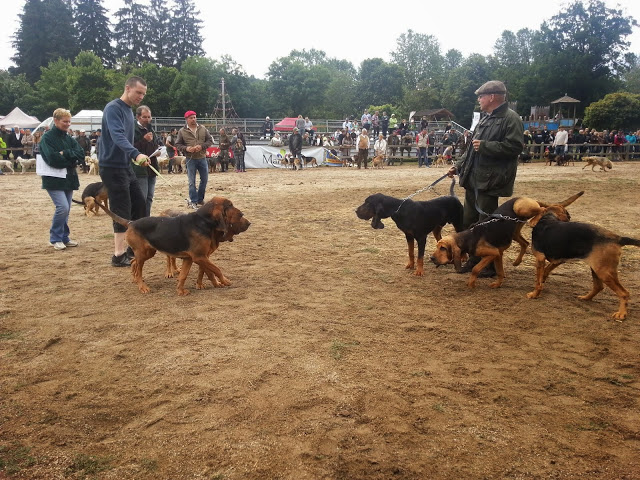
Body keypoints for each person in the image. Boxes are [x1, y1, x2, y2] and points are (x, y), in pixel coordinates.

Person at [447, 80, 524, 276]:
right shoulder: (485, 119)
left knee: (486, 224)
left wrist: (487, 146)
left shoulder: (510, 118)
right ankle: (473, 258)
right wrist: (458, 166)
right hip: (474, 179)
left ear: (492, 97)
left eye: (481, 97)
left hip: (491, 181)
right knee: (469, 221)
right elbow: (472, 148)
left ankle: (488, 265)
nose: (479, 100)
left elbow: (515, 147)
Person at [99, 76, 150, 267]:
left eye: (143, 94)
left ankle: (132, 248)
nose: (141, 97)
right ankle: (118, 255)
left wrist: (137, 156)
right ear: (127, 88)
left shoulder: (129, 111)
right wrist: (136, 155)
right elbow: (117, 136)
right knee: (121, 208)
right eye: (138, 92)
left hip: (125, 166)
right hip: (111, 166)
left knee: (139, 204)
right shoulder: (113, 108)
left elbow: (128, 140)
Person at [38, 108, 84, 250]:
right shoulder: (47, 138)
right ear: (56, 120)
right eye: (65, 121)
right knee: (62, 207)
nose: (68, 124)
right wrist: (71, 160)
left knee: (66, 209)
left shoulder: (69, 138)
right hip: (53, 179)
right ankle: (55, 238)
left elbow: (80, 153)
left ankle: (64, 237)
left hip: (68, 178)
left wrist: (65, 153)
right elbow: (52, 159)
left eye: (69, 121)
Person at [175, 111, 213, 208]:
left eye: (194, 117)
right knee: (191, 181)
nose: (193, 119)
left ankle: (200, 199)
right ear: (186, 119)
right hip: (190, 159)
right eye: (191, 118)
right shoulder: (182, 131)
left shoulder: (203, 128)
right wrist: (186, 148)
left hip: (202, 157)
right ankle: (193, 200)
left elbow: (210, 141)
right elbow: (178, 144)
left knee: (204, 179)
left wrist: (202, 146)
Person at [133, 105, 162, 216]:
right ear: (138, 117)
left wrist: (158, 150)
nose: (147, 119)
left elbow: (155, 143)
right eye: (144, 117)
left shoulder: (151, 128)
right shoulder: (133, 129)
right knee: (142, 197)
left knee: (149, 197)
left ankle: (147, 219)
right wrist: (144, 140)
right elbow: (131, 147)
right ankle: (139, 221)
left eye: (149, 117)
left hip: (152, 167)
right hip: (140, 169)